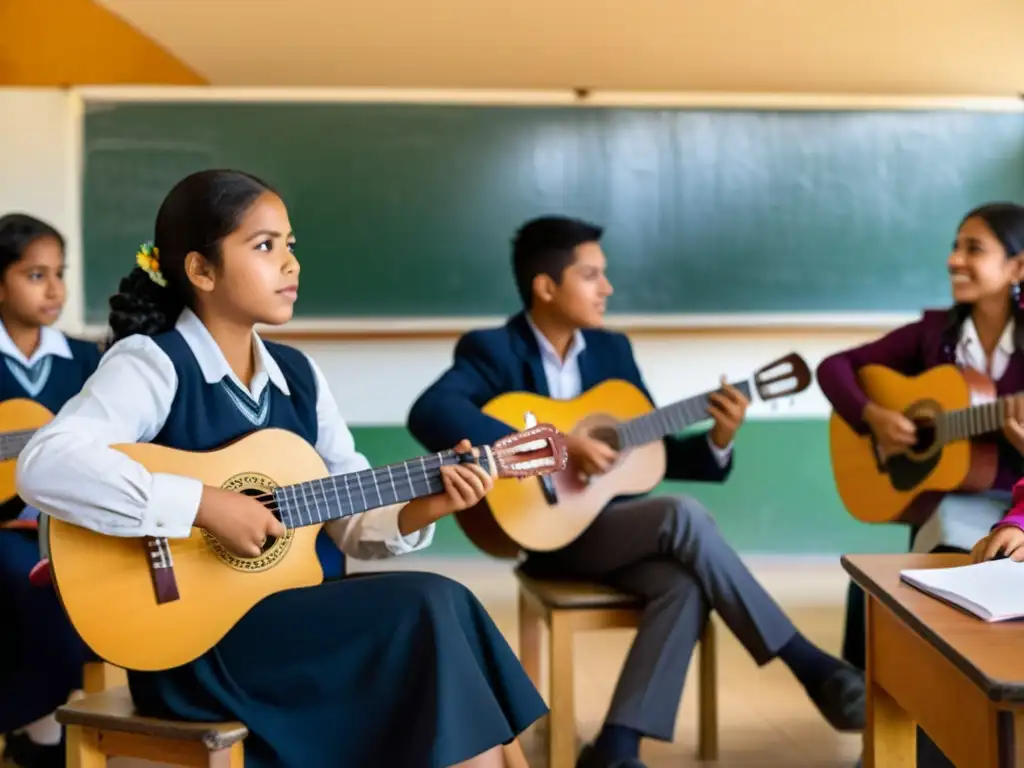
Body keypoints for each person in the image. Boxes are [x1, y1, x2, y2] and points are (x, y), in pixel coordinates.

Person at [15, 170, 547, 768]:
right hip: (196, 649)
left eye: (289, 245)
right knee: (427, 606)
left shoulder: (300, 376)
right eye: (264, 246)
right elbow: (45, 463)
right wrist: (203, 505)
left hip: (293, 625)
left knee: (446, 605)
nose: (290, 264)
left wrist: (432, 502)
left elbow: (350, 520)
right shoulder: (152, 363)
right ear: (201, 270)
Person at [406, 215, 865, 768]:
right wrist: (554, 444)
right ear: (546, 286)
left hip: (615, 534)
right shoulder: (493, 350)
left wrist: (718, 439)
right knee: (685, 516)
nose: (608, 288)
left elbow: (648, 456)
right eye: (591, 275)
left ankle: (617, 748)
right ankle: (808, 664)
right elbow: (430, 411)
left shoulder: (612, 354)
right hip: (544, 533)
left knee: (684, 585)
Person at [818, 201, 1024, 768]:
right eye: (955, 245)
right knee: (929, 572)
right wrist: (874, 418)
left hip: (1013, 503)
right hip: (954, 500)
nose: (953, 259)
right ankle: (897, 731)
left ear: (1018, 268)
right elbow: (835, 367)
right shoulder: (936, 333)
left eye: (973, 249)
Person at [0, 213, 102, 768]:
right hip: (6, 533)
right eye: (35, 275)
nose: (56, 289)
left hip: (68, 524)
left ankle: (42, 728)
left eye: (59, 273)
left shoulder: (88, 361)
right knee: (29, 585)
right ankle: (36, 729)